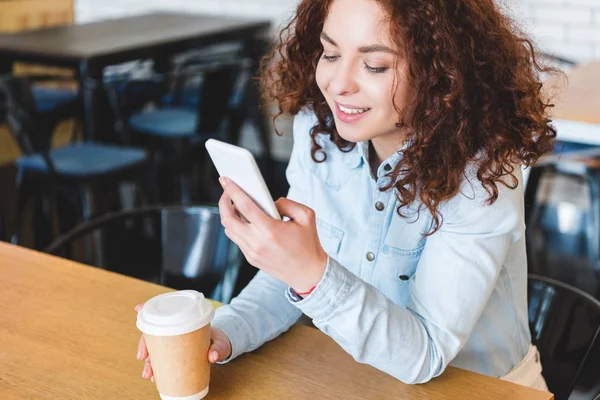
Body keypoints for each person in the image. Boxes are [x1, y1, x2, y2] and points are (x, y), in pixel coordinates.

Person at [137, 0, 556, 389]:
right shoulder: (320, 133)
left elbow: (425, 355)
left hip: (483, 389)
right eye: (331, 54)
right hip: (356, 376)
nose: (338, 84)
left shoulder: (482, 176)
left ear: (442, 73)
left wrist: (310, 273)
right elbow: (291, 276)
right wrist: (226, 331)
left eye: (374, 65)